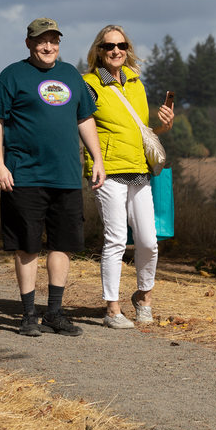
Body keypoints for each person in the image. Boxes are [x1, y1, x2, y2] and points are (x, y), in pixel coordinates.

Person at [0, 17, 106, 338]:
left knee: (63, 245)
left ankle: (54, 313)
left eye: (53, 40)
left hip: (65, 177)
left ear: (59, 44)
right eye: (41, 41)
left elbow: (85, 118)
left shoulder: (70, 76)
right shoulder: (13, 75)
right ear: (29, 44)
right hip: (23, 175)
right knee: (27, 246)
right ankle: (27, 315)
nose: (48, 46)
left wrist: (97, 158)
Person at [82, 25, 175, 329]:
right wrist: (94, 161)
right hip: (107, 170)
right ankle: (112, 309)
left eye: (121, 45)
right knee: (116, 239)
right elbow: (84, 126)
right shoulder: (88, 84)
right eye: (109, 46)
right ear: (99, 50)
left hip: (139, 170)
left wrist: (163, 126)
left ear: (127, 48)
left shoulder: (136, 82)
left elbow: (141, 130)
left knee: (149, 241)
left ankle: (143, 298)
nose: (116, 50)